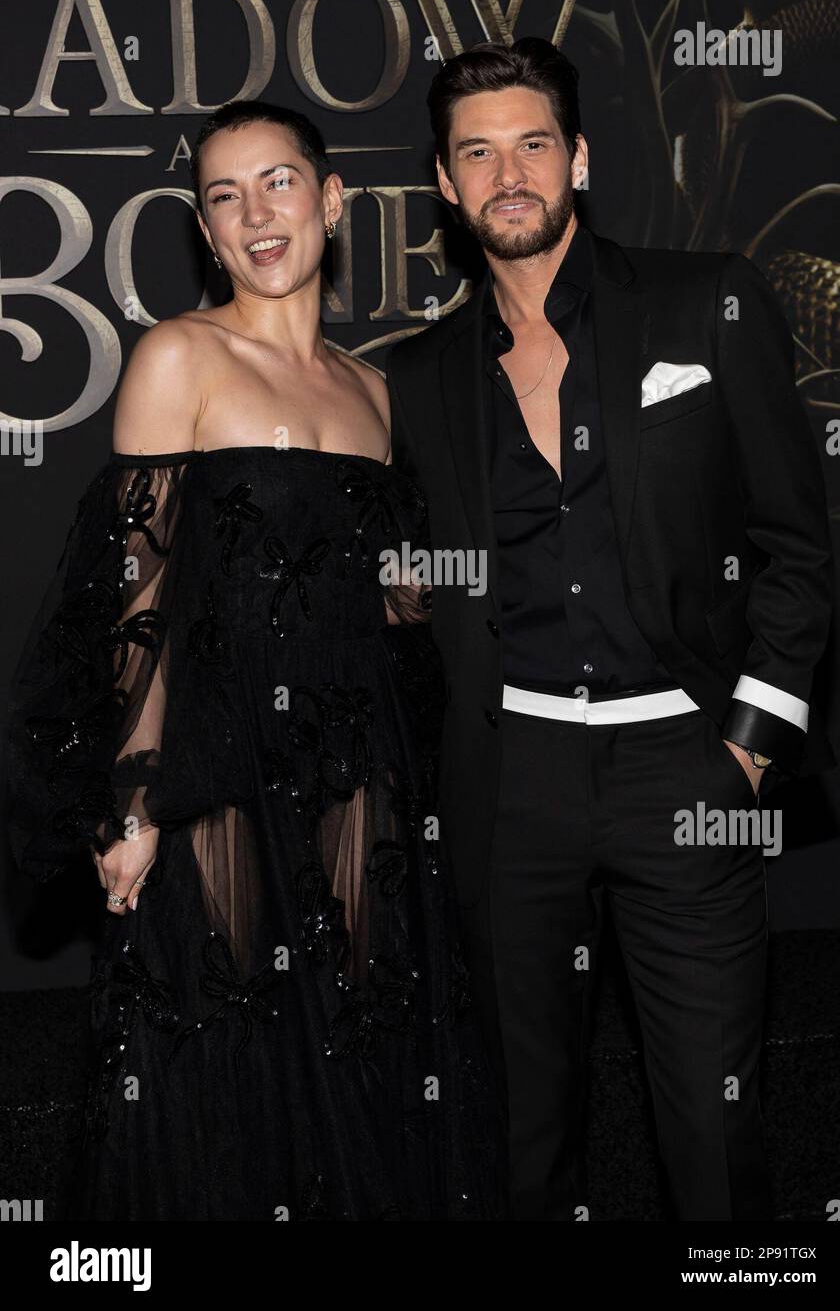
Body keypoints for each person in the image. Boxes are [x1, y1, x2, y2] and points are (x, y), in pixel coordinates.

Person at [5, 99, 506, 1221]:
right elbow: (137, 602)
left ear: (331, 201)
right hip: (220, 775)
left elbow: (390, 599)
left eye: (277, 182)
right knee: (222, 1054)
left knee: (361, 1044)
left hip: (359, 777)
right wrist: (130, 799)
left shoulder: (374, 392)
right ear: (204, 227)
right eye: (224, 197)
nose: (255, 213)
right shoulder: (179, 356)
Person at [385, 38, 834, 1220]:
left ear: (576, 158)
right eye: (475, 153)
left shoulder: (705, 300)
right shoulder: (420, 375)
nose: (508, 173)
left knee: (712, 1123)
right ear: (442, 183)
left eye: (532, 143)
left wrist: (745, 744)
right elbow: (410, 571)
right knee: (522, 1135)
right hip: (507, 780)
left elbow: (792, 544)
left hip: (680, 766)